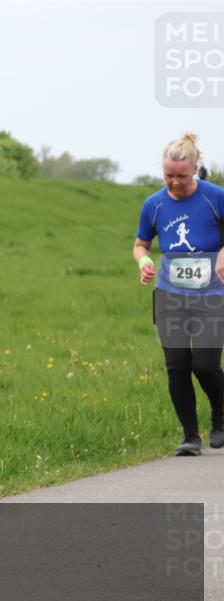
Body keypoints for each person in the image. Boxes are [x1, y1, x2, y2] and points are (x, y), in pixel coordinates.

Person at [134, 132, 224, 456]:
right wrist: (144, 261)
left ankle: (220, 413)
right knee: (176, 365)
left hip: (212, 295)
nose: (174, 182)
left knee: (205, 365)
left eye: (181, 176)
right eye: (168, 175)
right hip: (170, 294)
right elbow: (141, 243)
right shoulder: (154, 204)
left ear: (196, 169)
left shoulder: (216, 197)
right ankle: (190, 436)